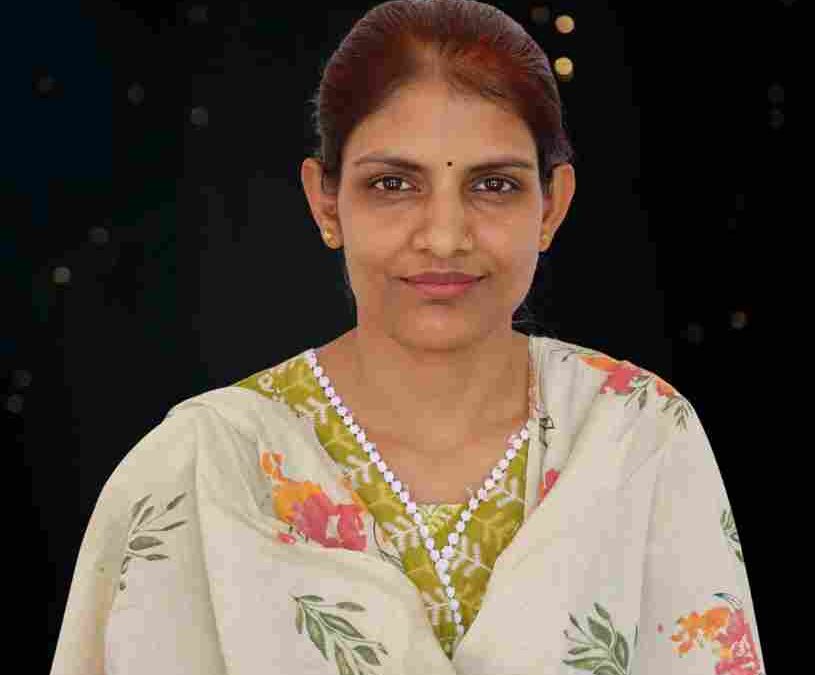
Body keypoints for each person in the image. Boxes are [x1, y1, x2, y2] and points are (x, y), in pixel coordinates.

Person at [50, 1, 766, 673]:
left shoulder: (636, 437)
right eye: (393, 184)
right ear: (325, 203)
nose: (445, 237)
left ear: (552, 207)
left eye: (493, 185)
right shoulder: (204, 468)